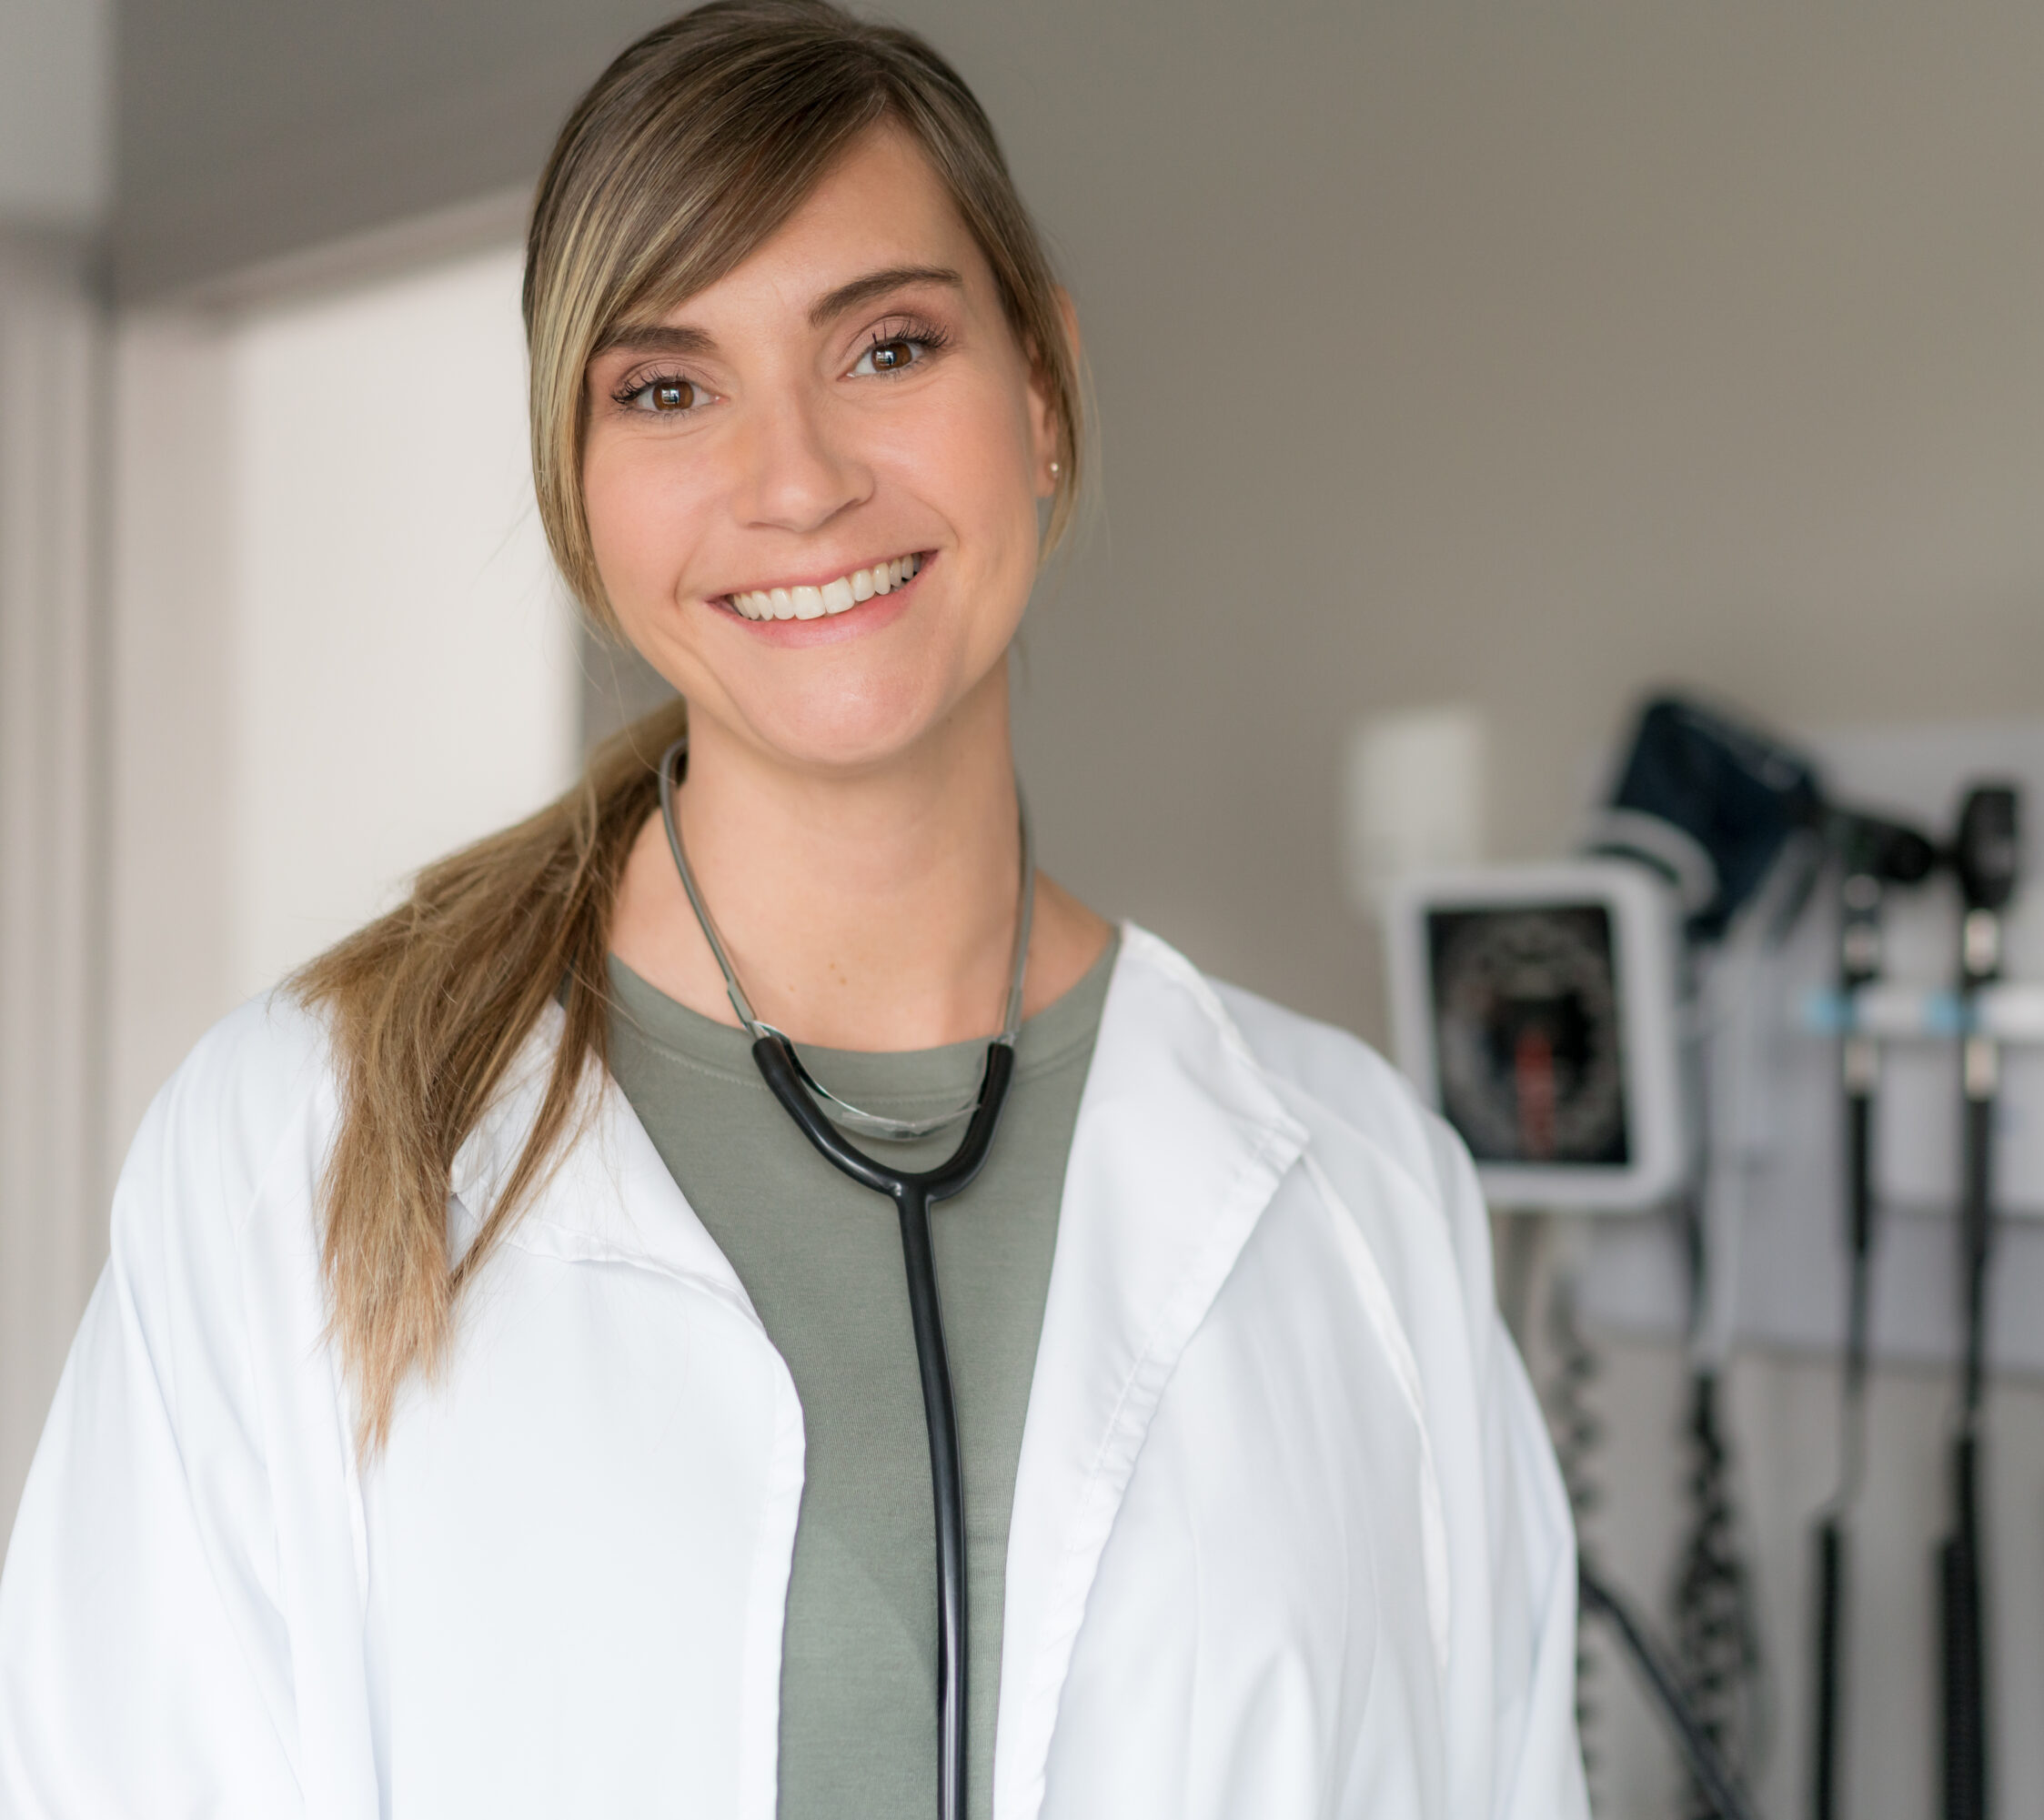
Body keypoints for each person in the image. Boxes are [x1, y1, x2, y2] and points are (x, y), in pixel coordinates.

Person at [0, 5, 1589, 1815]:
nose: (799, 481)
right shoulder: (295, 1149)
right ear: (575, 488)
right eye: (668, 389)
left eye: (888, 347)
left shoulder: (1364, 1193)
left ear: (1043, 392)